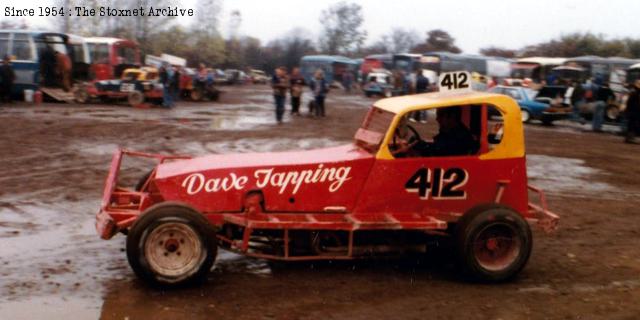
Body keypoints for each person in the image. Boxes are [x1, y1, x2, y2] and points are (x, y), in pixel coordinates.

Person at [392, 107, 477, 157]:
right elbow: (437, 146)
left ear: (452, 117)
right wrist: (419, 144)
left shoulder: (459, 136)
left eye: (440, 116)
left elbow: (438, 150)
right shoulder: (451, 130)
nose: (437, 119)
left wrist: (418, 146)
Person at [625, 79, 640, 144]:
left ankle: (629, 138)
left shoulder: (633, 91)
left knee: (631, 123)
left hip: (632, 110)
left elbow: (629, 101)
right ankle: (631, 138)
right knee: (634, 124)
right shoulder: (635, 91)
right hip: (635, 110)